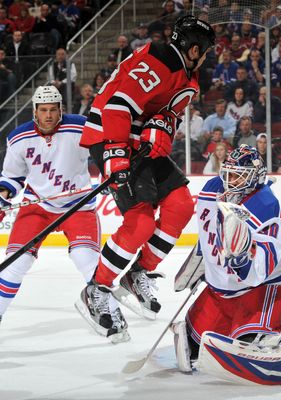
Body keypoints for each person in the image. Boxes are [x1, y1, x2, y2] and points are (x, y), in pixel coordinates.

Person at [76, 16, 215, 336]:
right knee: (139, 222)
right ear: (194, 49)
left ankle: (137, 273)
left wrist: (161, 128)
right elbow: (117, 105)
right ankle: (96, 289)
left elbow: (166, 114)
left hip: (137, 141)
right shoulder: (160, 60)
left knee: (180, 204)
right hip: (110, 136)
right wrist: (114, 153)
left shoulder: (188, 77)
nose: (207, 56)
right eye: (206, 50)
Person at [172, 144, 281, 369]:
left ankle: (271, 340)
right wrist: (205, 262)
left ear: (255, 178)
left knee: (247, 348)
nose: (231, 181)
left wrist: (241, 261)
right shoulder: (212, 189)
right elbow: (208, 232)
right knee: (194, 345)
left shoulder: (265, 204)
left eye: (238, 177)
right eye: (228, 174)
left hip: (265, 287)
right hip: (224, 291)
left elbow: (261, 269)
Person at [0, 86, 106, 332]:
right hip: (38, 205)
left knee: (87, 260)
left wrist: (110, 175)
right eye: (43, 110)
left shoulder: (80, 127)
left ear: (61, 110)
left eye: (53, 110)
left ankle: (107, 311)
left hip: (78, 205)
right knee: (15, 264)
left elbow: (105, 152)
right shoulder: (18, 137)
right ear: (35, 111)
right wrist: (2, 196)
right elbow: (12, 177)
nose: (48, 115)